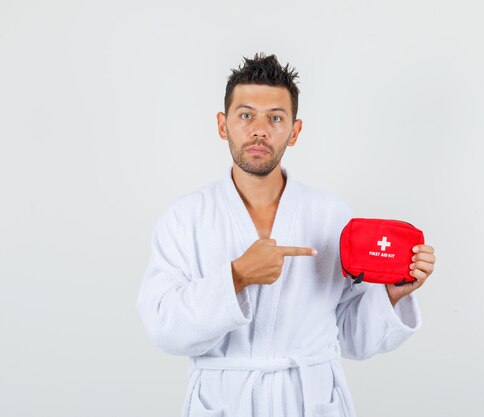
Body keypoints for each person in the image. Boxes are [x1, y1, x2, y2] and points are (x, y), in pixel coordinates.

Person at [135, 52, 436, 417]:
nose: (260, 130)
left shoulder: (330, 215)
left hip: (309, 399)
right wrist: (237, 277)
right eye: (246, 115)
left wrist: (390, 295)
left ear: (294, 131)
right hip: (224, 400)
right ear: (222, 125)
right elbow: (164, 328)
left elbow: (351, 336)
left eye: (275, 118)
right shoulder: (184, 218)